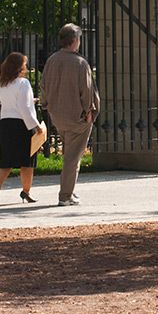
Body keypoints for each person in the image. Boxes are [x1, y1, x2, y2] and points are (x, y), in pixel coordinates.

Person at [42, 23, 99, 206]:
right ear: (75, 40)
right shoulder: (80, 63)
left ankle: (70, 191)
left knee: (71, 153)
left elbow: (44, 86)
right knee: (73, 157)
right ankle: (65, 195)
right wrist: (89, 111)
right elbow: (87, 90)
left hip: (57, 115)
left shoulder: (52, 60)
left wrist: (46, 105)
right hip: (77, 117)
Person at [0, 52, 40, 204]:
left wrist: (31, 100)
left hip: (6, 123)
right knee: (27, 160)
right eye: (24, 64)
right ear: (19, 67)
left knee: (7, 159)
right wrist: (36, 125)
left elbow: (13, 102)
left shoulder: (3, 83)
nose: (26, 67)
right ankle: (26, 191)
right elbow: (24, 107)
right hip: (22, 124)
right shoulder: (23, 83)